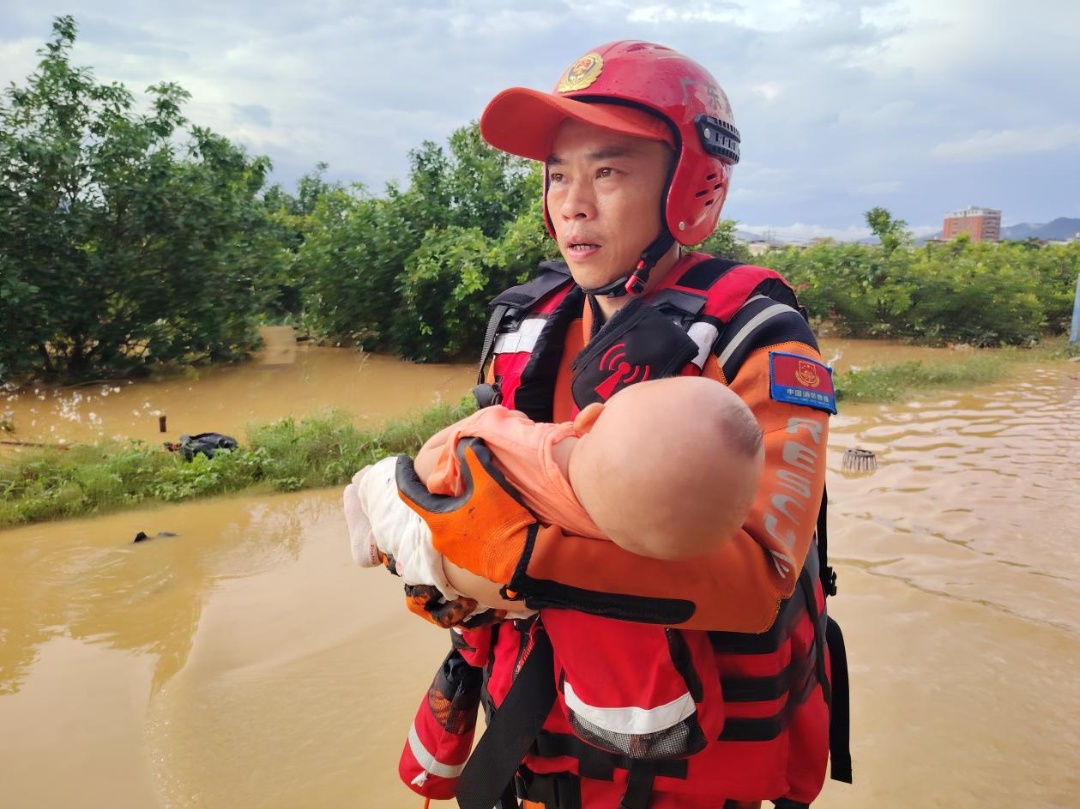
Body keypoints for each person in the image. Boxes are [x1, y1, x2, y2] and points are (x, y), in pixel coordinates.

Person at [346, 40, 849, 809]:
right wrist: (436, 552)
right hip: (534, 746)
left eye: (607, 171)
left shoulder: (761, 337)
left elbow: (758, 585)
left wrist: (518, 555)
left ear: (690, 183)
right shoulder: (526, 321)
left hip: (686, 774)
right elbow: (480, 491)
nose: (571, 201)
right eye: (557, 174)